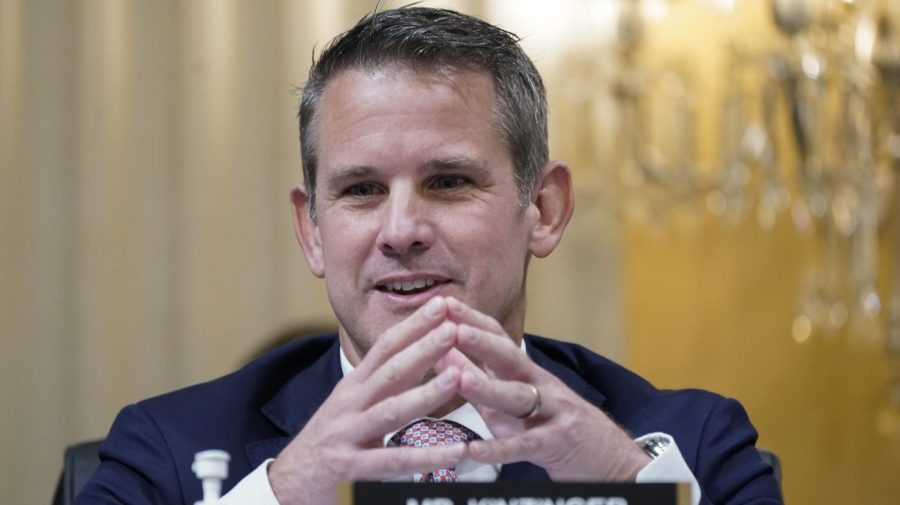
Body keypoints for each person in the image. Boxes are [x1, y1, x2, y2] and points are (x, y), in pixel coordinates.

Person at [76, 7, 782, 505]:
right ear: (312, 230)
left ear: (544, 209)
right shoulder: (168, 448)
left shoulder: (694, 442)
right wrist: (286, 491)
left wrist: (628, 483)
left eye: (448, 182)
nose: (402, 228)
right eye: (361, 189)